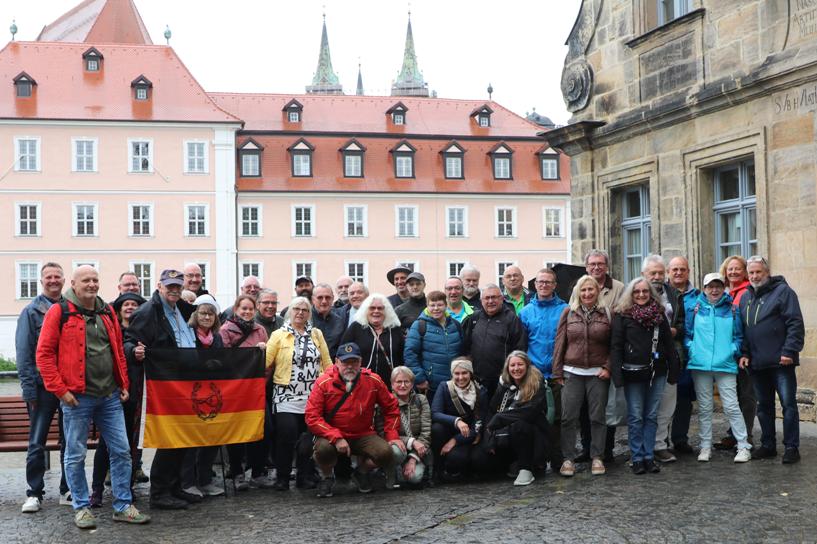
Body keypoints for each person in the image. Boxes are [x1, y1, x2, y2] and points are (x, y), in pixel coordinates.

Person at [36, 265, 149, 528]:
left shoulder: (106, 310)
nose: (92, 284)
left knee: (122, 451)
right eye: (86, 280)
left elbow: (117, 350)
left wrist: (123, 382)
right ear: (73, 284)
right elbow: (43, 355)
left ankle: (122, 505)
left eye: (95, 280)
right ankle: (81, 507)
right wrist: (61, 390)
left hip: (109, 396)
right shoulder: (59, 312)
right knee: (75, 455)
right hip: (77, 397)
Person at [125, 269, 197, 510]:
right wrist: (133, 351)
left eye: (178, 285)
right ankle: (159, 492)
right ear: (159, 286)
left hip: (184, 383)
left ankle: (174, 487)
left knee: (182, 437)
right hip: (163, 385)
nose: (174, 290)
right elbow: (128, 340)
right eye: (170, 286)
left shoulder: (183, 309)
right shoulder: (147, 312)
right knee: (168, 438)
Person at [305, 342, 403, 498]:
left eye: (354, 362)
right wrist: (336, 438)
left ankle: (361, 472)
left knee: (386, 453)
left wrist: (392, 435)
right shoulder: (323, 383)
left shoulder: (373, 380)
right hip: (331, 435)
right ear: (337, 362)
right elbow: (312, 417)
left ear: (360, 362)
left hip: (363, 433)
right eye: (345, 362)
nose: (350, 366)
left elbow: (391, 407)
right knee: (323, 450)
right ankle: (327, 477)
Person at [610, 278, 680, 475]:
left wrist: (673, 370)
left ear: (651, 294)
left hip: (656, 372)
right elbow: (615, 347)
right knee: (635, 416)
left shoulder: (658, 315)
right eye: (637, 292)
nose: (641, 295)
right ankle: (637, 457)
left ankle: (649, 456)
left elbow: (668, 344)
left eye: (645, 292)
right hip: (632, 372)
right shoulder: (622, 316)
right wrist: (617, 375)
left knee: (651, 416)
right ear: (631, 294)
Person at [739, 256, 805, 464]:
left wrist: (789, 351)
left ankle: (792, 447)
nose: (755, 276)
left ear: (767, 272)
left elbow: (795, 323)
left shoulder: (784, 292)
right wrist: (744, 353)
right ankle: (768, 445)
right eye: (751, 273)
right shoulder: (745, 298)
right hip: (757, 363)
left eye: (758, 272)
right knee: (764, 407)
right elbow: (744, 329)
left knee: (788, 405)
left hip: (781, 361)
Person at [17, 262, 71, 513]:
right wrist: (29, 391)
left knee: (69, 440)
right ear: (42, 281)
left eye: (57, 276)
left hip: (69, 386)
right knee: (37, 442)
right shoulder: (31, 312)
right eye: (48, 277)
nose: (53, 280)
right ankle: (34, 492)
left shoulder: (70, 309)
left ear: (63, 280)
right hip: (41, 387)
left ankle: (67, 489)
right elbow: (24, 354)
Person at [266, 297, 332, 490]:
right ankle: (283, 477)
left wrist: (331, 386)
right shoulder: (279, 335)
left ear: (309, 314)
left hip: (313, 396)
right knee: (286, 436)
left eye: (305, 310)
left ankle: (305, 476)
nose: (300, 312)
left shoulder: (317, 334)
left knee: (308, 439)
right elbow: (266, 361)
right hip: (286, 395)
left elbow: (327, 364)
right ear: (289, 312)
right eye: (296, 308)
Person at [684, 273, 751, 463]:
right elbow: (688, 335)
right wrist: (694, 350)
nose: (714, 290)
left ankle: (743, 445)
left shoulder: (733, 309)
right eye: (710, 286)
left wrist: (731, 351)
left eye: (718, 286)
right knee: (705, 407)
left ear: (724, 287)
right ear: (704, 288)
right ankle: (705, 446)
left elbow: (739, 336)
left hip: (725, 363)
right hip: (700, 364)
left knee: (731, 406)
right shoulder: (694, 308)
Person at [90, 291, 147, 507]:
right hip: (116, 395)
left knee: (131, 447)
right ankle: (96, 489)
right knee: (106, 445)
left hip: (139, 397)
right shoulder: (112, 330)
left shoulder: (144, 331)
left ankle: (126, 486)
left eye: (135, 304)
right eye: (126, 304)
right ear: (120, 308)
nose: (130, 307)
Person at [552, 275, 611, 477]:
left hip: (597, 373)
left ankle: (597, 457)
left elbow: (614, 345)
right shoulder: (568, 313)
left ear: (597, 292)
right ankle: (568, 459)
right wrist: (557, 371)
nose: (587, 294)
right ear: (578, 292)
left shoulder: (607, 314)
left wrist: (608, 367)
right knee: (568, 418)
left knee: (597, 417)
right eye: (583, 290)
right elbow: (560, 343)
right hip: (571, 372)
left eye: (590, 290)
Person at [220, 295, 273, 490]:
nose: (247, 312)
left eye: (251, 309)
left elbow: (268, 362)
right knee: (236, 432)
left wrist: (261, 378)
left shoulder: (261, 330)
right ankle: (237, 473)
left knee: (264, 429)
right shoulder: (225, 331)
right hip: (235, 392)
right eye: (244, 308)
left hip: (257, 391)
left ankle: (258, 472)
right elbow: (225, 360)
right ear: (236, 309)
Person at [178, 296, 227, 498]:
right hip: (191, 392)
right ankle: (187, 481)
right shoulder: (188, 334)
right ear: (195, 315)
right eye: (203, 313)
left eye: (210, 313)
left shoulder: (217, 338)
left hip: (212, 391)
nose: (207, 317)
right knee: (191, 440)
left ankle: (205, 479)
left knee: (211, 438)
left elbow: (223, 360)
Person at [519, 268, 567, 468]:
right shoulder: (525, 312)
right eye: (540, 282)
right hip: (534, 374)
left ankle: (557, 458)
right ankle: (537, 460)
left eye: (548, 282)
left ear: (554, 285)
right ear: (535, 285)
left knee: (558, 418)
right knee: (534, 417)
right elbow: (522, 344)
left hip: (558, 373)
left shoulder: (565, 309)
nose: (544, 285)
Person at [581, 249, 625, 463]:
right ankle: (587, 448)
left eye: (600, 264)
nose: (596, 267)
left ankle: (606, 450)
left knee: (607, 406)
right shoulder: (580, 285)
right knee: (584, 408)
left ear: (607, 266)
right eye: (592, 264)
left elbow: (620, 318)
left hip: (607, 353)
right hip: (583, 357)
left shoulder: (618, 288)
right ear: (586, 267)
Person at [641, 255, 685, 464]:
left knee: (667, 403)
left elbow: (684, 323)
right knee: (642, 406)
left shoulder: (674, 294)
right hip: (641, 357)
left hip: (668, 355)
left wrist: (675, 331)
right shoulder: (636, 293)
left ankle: (659, 445)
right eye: (653, 273)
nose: (657, 277)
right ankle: (641, 447)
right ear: (644, 275)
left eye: (660, 272)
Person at [484, 351, 548, 486]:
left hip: (533, 433)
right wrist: (488, 434)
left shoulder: (537, 382)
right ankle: (512, 463)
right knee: (481, 461)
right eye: (512, 365)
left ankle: (526, 468)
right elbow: (492, 409)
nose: (516, 368)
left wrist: (500, 418)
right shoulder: (504, 385)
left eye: (520, 364)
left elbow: (530, 411)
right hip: (505, 435)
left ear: (527, 366)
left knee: (520, 425)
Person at [714, 255, 755, 451]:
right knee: (733, 395)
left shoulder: (748, 291)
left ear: (745, 271)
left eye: (738, 268)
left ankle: (746, 435)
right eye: (730, 269)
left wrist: (744, 350)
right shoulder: (725, 293)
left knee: (747, 395)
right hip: (727, 352)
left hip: (744, 351)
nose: (733, 272)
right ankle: (734, 433)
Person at [461, 284, 527, 399]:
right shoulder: (474, 318)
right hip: (476, 380)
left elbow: (519, 348)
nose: (490, 301)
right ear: (481, 300)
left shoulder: (511, 319)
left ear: (501, 299)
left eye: (494, 297)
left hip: (501, 380)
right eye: (487, 298)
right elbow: (466, 346)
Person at [431, 358, 490, 481]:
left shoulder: (481, 391)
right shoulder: (444, 387)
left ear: (470, 373)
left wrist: (454, 440)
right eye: (457, 373)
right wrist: (456, 421)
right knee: (437, 429)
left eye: (464, 373)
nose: (460, 377)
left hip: (469, 435)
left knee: (479, 460)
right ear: (452, 374)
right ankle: (438, 469)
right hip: (450, 430)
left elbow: (478, 424)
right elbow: (435, 413)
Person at [666, 256, 700, 455]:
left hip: (689, 353)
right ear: (669, 272)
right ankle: (660, 440)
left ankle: (680, 438)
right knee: (663, 398)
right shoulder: (661, 293)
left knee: (684, 398)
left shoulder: (697, 296)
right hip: (666, 352)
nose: (678, 273)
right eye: (675, 269)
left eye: (682, 269)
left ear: (688, 271)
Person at [404, 291, 463, 398]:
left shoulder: (455, 325)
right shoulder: (419, 325)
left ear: (446, 305)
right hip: (431, 386)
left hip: (455, 382)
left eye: (440, 305)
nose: (436, 308)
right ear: (427, 306)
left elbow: (462, 351)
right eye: (432, 305)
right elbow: (410, 353)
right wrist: (420, 379)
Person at [341, 294, 404, 385]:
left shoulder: (394, 329)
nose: (376, 311)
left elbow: (402, 358)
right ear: (366, 310)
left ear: (386, 311)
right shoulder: (356, 328)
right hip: (361, 384)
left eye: (380, 308)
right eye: (372, 308)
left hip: (390, 385)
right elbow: (343, 355)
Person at [387, 366, 432, 488]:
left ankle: (413, 466)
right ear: (392, 384)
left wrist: (413, 458)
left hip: (419, 449)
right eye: (399, 382)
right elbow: (383, 434)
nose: (403, 385)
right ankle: (390, 471)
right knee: (395, 451)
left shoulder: (421, 400)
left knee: (414, 478)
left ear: (412, 384)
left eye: (406, 381)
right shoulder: (386, 402)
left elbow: (426, 432)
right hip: (398, 446)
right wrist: (411, 441)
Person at [312, 283, 345, 360]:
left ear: (333, 298)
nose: (324, 301)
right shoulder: (305, 318)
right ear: (313, 300)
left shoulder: (339, 321)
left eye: (328, 297)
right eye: (320, 298)